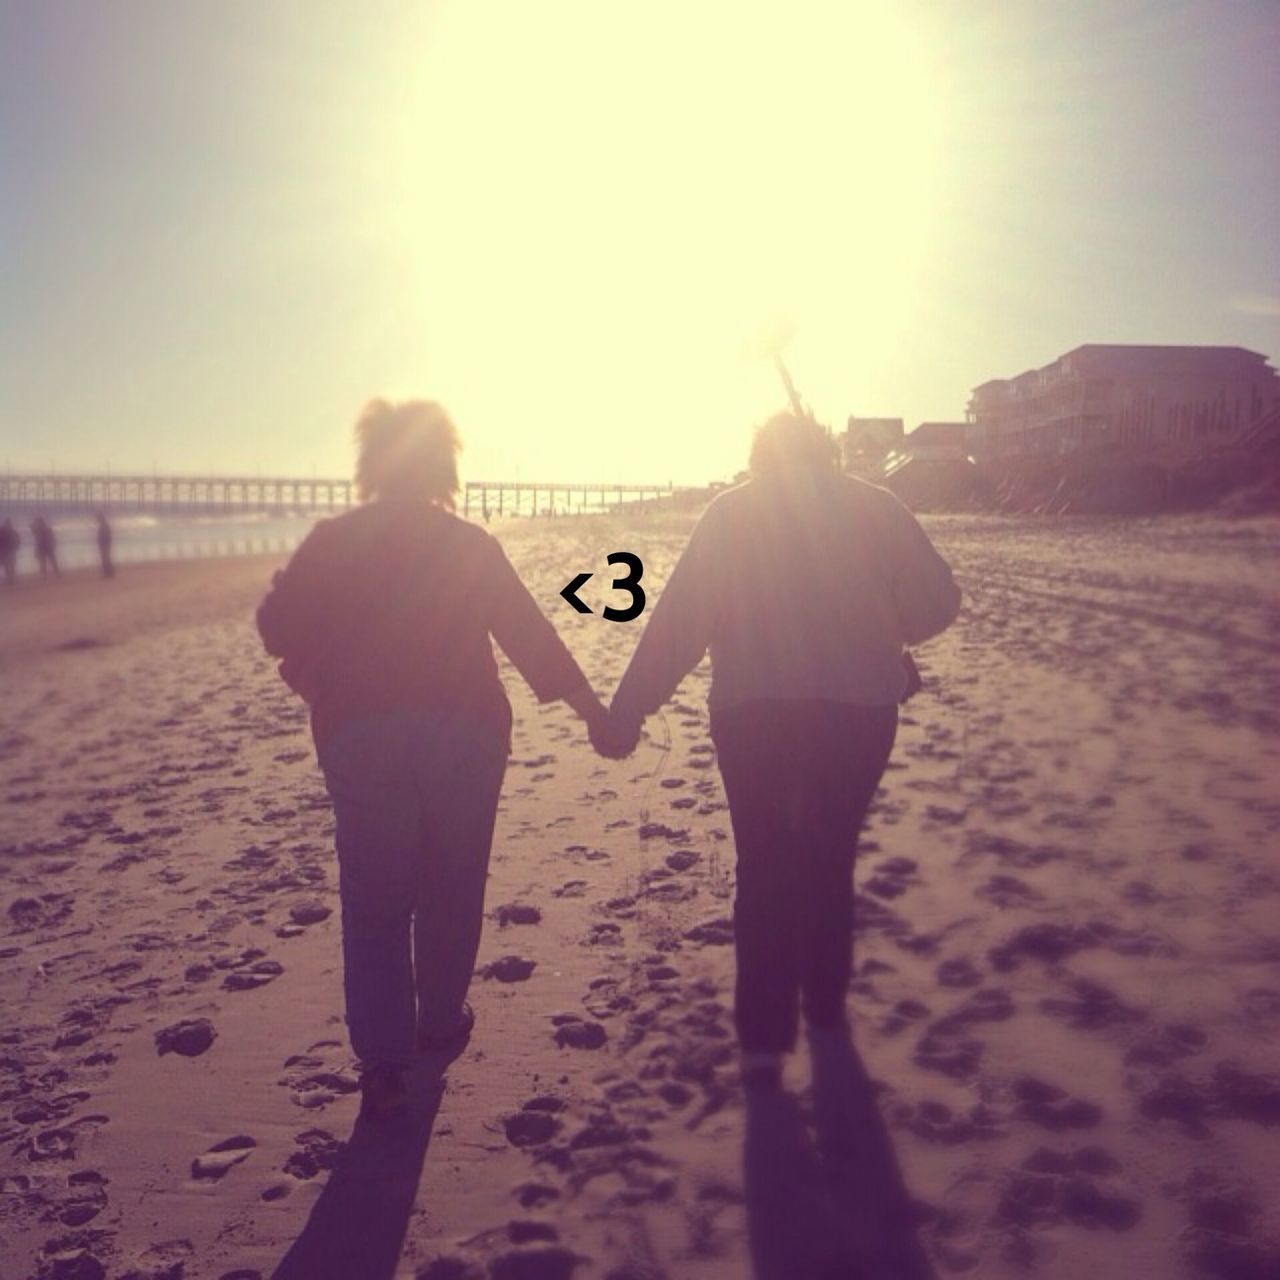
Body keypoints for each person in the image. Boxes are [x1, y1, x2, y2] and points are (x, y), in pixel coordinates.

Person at [257, 399, 609, 1121]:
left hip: (363, 734)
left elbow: (276, 627)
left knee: (377, 900)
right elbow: (528, 636)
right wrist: (597, 717)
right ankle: (439, 1022)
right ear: (443, 464)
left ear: (369, 464)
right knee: (452, 883)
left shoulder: (333, 539)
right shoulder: (468, 544)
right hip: (465, 734)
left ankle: (384, 1062)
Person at [596, 412, 961, 1091]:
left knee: (763, 866)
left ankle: (764, 1039)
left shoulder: (731, 513)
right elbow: (938, 603)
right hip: (857, 713)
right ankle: (823, 1014)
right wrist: (889, 624)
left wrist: (627, 712)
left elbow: (680, 623)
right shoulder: (877, 507)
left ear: (759, 455)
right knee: (829, 860)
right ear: (827, 447)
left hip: (754, 713)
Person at [95, 512, 115, 578]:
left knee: (105, 559)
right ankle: (109, 573)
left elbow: (105, 536)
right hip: (105, 545)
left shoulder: (103, 526)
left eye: (98, 518)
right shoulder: (104, 525)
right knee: (106, 559)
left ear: (101, 518)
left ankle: (108, 574)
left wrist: (101, 543)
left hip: (104, 545)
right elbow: (108, 536)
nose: (97, 520)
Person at [0, 519, 17, 585]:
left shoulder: (2, 530)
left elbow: (17, 539)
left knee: (7, 564)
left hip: (5, 550)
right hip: (9, 550)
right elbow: (17, 540)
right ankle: (11, 578)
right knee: (10, 564)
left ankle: (9, 578)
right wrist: (16, 547)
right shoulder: (12, 531)